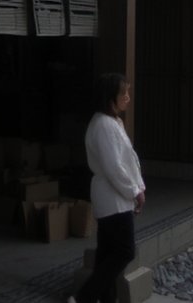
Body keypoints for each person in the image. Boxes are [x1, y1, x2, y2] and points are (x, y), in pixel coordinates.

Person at [70, 73, 146, 303]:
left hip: (116, 197)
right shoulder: (103, 125)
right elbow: (114, 167)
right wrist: (134, 191)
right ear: (109, 97)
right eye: (123, 93)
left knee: (107, 254)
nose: (127, 97)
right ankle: (84, 297)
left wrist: (138, 187)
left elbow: (128, 160)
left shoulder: (113, 122)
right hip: (112, 199)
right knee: (124, 251)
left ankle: (104, 299)